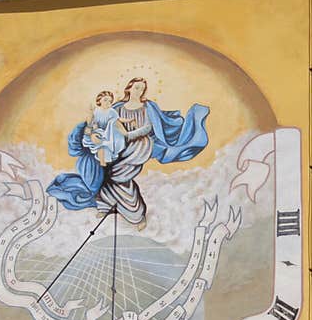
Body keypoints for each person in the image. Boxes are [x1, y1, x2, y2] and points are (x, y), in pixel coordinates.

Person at [47, 77, 210, 230]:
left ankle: (136, 214)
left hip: (138, 145)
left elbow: (148, 127)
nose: (140, 91)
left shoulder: (148, 107)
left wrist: (129, 136)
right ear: (129, 88)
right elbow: (104, 124)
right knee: (107, 175)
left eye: (142, 89)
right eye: (137, 87)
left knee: (120, 175)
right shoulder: (116, 107)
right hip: (116, 145)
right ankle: (107, 206)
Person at [82, 90, 127, 167]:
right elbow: (90, 122)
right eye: (105, 100)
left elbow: (118, 120)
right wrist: (90, 113)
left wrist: (130, 121)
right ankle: (102, 162)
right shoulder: (96, 111)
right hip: (98, 131)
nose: (107, 102)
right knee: (100, 143)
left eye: (110, 101)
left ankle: (107, 162)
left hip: (109, 133)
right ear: (99, 100)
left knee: (107, 141)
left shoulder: (112, 112)